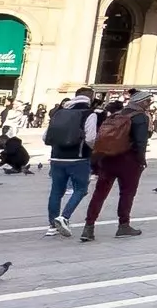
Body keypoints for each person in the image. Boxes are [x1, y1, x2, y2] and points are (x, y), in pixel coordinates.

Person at [80, 91, 150, 240]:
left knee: (99, 193)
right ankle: (123, 225)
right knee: (127, 193)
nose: (148, 104)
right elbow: (140, 142)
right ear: (141, 102)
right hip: (129, 160)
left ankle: (89, 227)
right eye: (147, 101)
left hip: (108, 158)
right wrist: (141, 160)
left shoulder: (117, 114)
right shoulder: (140, 117)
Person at [43, 90, 93, 236]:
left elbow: (46, 136)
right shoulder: (88, 114)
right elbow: (91, 138)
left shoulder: (59, 113)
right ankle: (64, 217)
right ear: (90, 98)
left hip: (57, 158)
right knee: (81, 189)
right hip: (78, 158)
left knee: (56, 191)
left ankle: (52, 226)